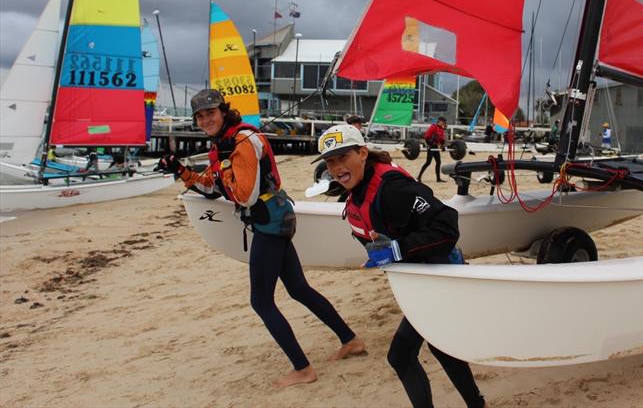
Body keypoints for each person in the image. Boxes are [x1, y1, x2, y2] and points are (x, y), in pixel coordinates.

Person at [159, 89, 364, 388]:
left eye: (211, 113)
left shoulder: (243, 141)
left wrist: (226, 166)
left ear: (223, 111)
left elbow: (245, 194)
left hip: (270, 222)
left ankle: (303, 369)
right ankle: (351, 340)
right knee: (298, 289)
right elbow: (211, 188)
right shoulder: (226, 144)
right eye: (200, 116)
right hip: (275, 219)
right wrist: (181, 170)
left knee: (261, 301)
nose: (206, 120)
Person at [316, 124, 486, 408]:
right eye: (330, 161)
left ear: (362, 153)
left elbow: (447, 225)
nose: (336, 167)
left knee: (402, 355)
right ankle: (478, 405)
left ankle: (478, 405)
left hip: (440, 276)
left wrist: (397, 249)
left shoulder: (393, 189)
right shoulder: (356, 190)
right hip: (419, 281)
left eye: (343, 157)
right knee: (438, 348)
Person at [418, 116, 447, 183]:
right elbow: (426, 136)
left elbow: (441, 140)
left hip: (436, 147)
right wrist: (429, 142)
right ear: (440, 121)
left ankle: (438, 179)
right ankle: (419, 177)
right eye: (443, 122)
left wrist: (442, 146)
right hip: (431, 147)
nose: (444, 123)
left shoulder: (441, 129)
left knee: (438, 162)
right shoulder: (433, 127)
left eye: (444, 122)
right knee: (428, 162)